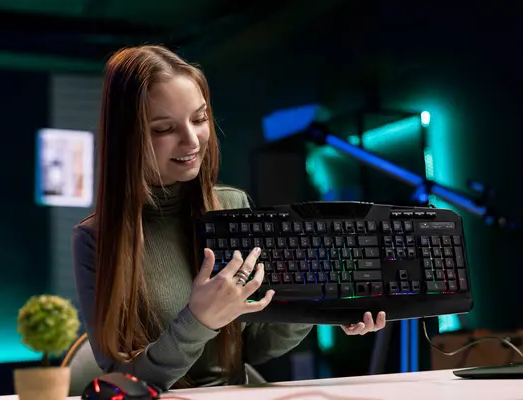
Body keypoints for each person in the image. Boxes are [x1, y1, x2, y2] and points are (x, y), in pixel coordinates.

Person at [71, 45, 386, 391]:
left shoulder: (231, 205)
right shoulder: (95, 239)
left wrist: (318, 305)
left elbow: (254, 346)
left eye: (199, 118)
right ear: (126, 138)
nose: (191, 140)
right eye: (164, 129)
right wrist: (199, 320)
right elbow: (123, 380)